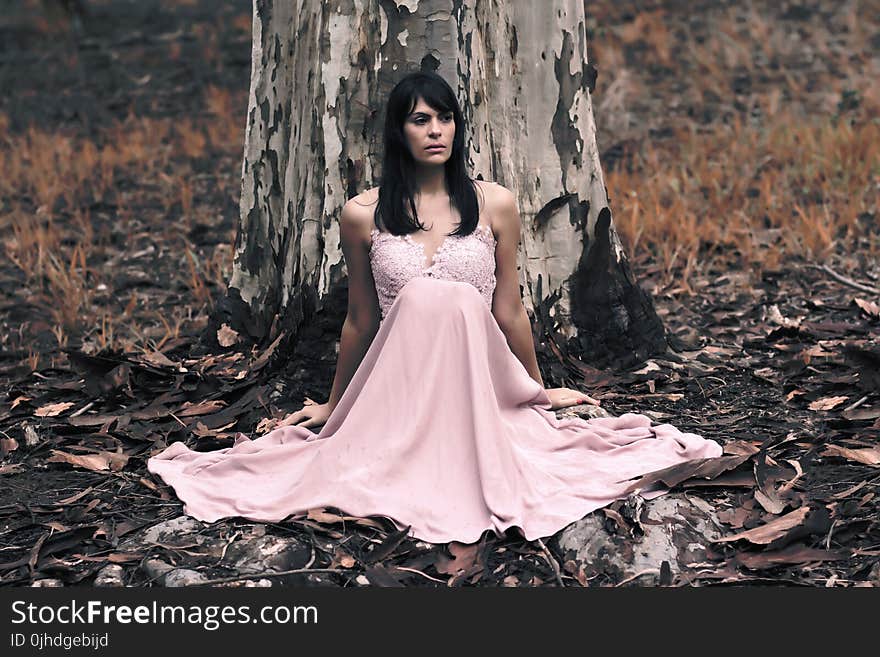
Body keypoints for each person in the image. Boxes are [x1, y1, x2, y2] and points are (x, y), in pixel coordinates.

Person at [148, 70, 722, 545]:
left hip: (476, 384)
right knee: (422, 295)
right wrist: (333, 404)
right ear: (398, 132)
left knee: (446, 296)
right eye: (420, 119)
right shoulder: (361, 214)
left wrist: (538, 392)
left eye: (444, 118)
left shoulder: (494, 203)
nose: (435, 130)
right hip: (399, 390)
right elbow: (362, 320)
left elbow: (509, 310)